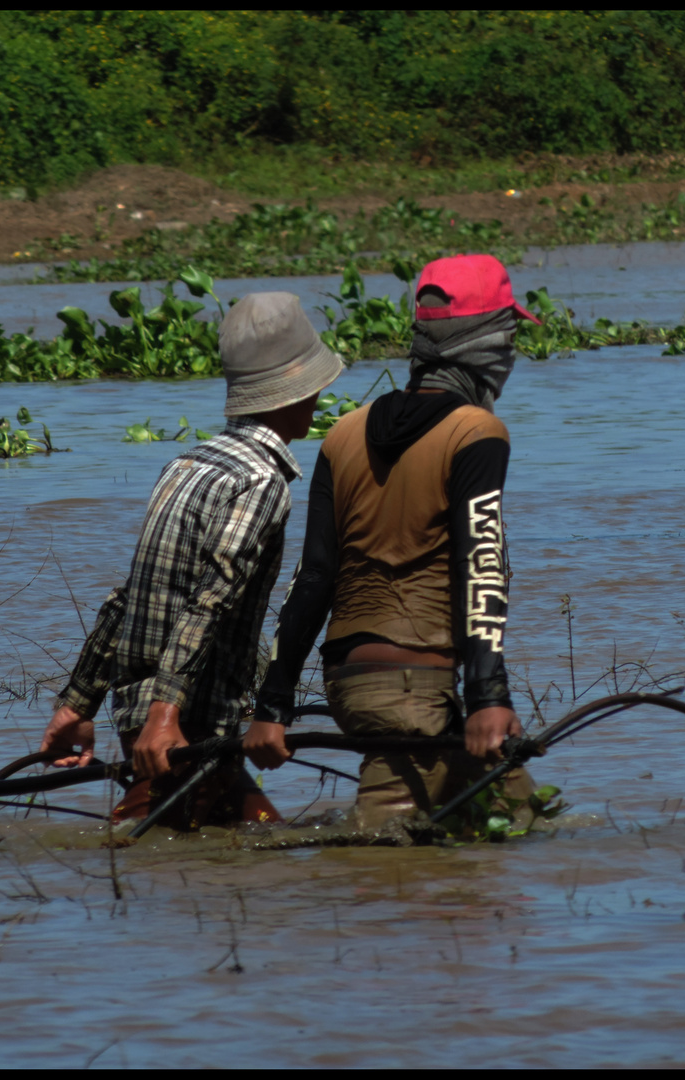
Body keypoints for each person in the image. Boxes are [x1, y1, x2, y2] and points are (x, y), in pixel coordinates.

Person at [245, 254, 539, 830]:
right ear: (484, 346)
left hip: (350, 687)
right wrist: (488, 698)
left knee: (522, 813)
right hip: (416, 690)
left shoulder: (345, 432)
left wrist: (271, 706)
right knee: (389, 870)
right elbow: (478, 567)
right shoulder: (477, 433)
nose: (511, 357)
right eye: (508, 339)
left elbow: (313, 579)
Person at [38, 292, 342, 829]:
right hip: (185, 722)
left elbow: (131, 596)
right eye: (315, 389)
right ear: (296, 390)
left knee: (242, 842)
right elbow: (210, 604)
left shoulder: (187, 464)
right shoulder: (261, 481)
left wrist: (77, 703)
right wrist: (166, 715)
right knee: (145, 837)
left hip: (155, 710)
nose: (319, 400)